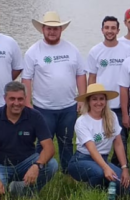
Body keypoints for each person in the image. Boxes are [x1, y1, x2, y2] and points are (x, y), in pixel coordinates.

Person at [22, 11, 87, 173]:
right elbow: (26, 79)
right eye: (48, 28)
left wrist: (82, 99)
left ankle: (68, 173)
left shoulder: (72, 49)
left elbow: (80, 74)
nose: (52, 32)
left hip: (68, 107)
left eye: (55, 28)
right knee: (43, 142)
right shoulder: (33, 51)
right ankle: (38, 172)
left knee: (67, 142)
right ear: (42, 29)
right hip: (43, 108)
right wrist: (27, 103)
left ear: (61, 30)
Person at [0, 81, 59, 200]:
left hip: (26, 162)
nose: (16, 103)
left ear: (25, 99)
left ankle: (25, 191)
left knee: (52, 164)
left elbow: (49, 148)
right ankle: (4, 191)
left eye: (20, 99)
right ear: (5, 98)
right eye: (12, 99)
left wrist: (37, 165)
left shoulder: (35, 116)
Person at [87, 16, 130, 167]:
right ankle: (97, 166)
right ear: (102, 29)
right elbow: (92, 78)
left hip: (122, 104)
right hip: (100, 104)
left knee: (120, 140)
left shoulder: (128, 51)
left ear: (118, 30)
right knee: (99, 137)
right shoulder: (95, 51)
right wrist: (89, 102)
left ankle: (119, 170)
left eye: (113, 28)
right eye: (107, 28)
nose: (110, 31)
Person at [68, 83, 130, 194]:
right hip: (82, 159)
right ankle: (89, 195)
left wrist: (124, 167)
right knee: (99, 172)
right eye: (94, 99)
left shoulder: (112, 116)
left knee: (128, 187)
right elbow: (91, 148)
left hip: (104, 158)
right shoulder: (82, 121)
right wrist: (105, 167)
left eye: (102, 99)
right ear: (88, 101)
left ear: (106, 101)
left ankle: (106, 188)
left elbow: (118, 143)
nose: (98, 102)